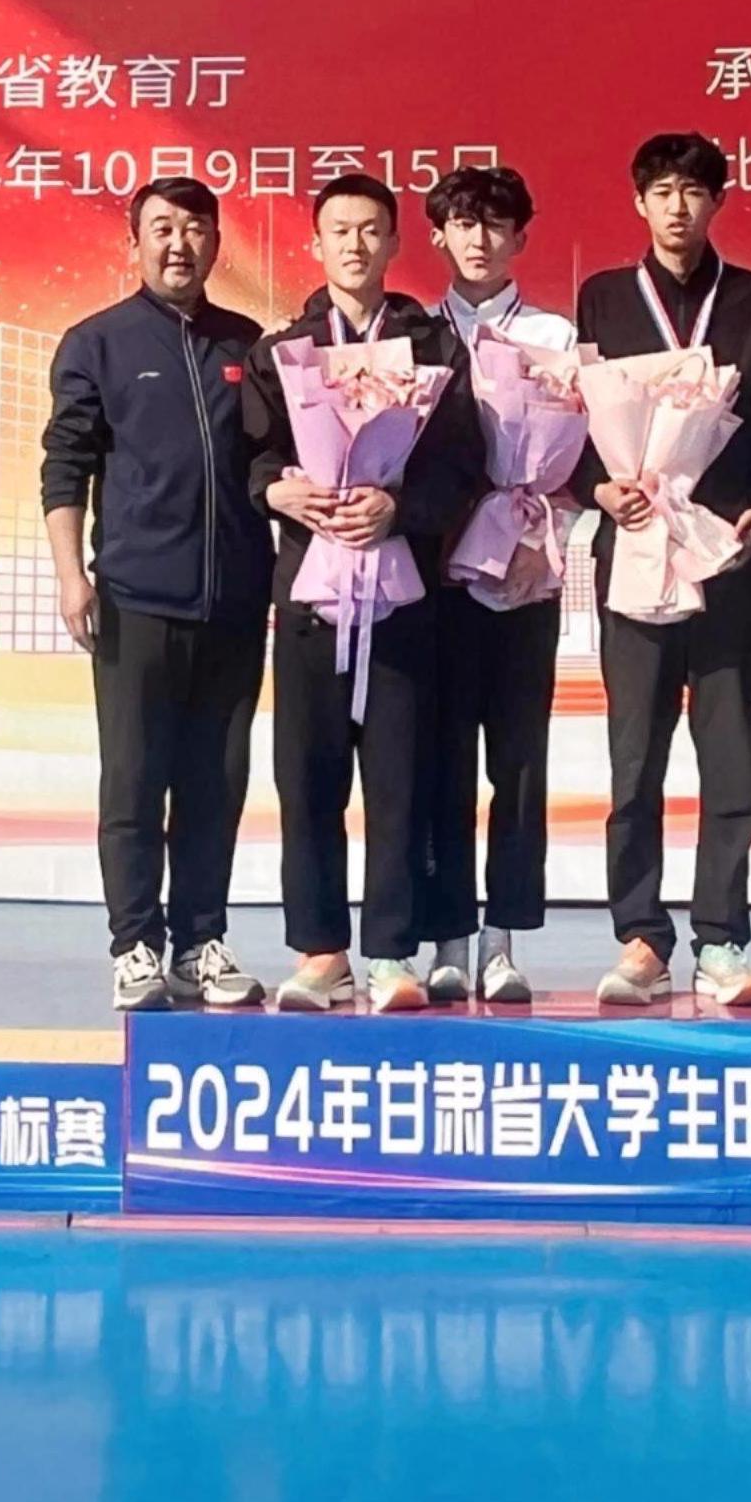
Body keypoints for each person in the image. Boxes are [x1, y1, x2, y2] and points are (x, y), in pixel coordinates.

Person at [245, 174, 489, 1014]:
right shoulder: (285, 350)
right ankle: (321, 950)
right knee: (307, 778)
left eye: (370, 229)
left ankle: (390, 949)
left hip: (401, 597)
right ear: (315, 243)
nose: (355, 244)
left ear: (394, 242)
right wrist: (276, 489)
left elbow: (462, 464)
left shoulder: (432, 346)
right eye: (339, 230)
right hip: (312, 599)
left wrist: (400, 506)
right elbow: (254, 454)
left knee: (400, 779)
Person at [40, 177, 273, 1012]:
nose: (180, 244)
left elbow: (271, 462)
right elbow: (65, 463)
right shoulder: (97, 342)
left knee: (217, 781)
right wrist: (73, 576)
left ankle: (200, 942)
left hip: (236, 604)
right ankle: (134, 944)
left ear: (216, 243)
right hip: (136, 599)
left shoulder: (248, 344)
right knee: (135, 780)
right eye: (162, 229)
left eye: (196, 228)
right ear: (134, 243)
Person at [568, 133, 751, 1008]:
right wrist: (599, 487)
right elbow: (578, 424)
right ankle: (640, 937)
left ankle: (722, 938)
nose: (677, 206)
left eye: (694, 190)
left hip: (726, 555)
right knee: (636, 760)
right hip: (633, 554)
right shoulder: (602, 296)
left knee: (730, 758)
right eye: (661, 190)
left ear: (717, 202)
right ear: (639, 202)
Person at [416, 164, 578, 1005]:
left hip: (523, 581)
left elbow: (585, 455)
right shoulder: (414, 333)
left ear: (521, 236)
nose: (478, 239)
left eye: (495, 224)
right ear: (438, 234)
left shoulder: (556, 334)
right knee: (441, 762)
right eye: (463, 223)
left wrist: (543, 538)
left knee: (517, 763)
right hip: (437, 581)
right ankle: (447, 936)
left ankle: (503, 940)